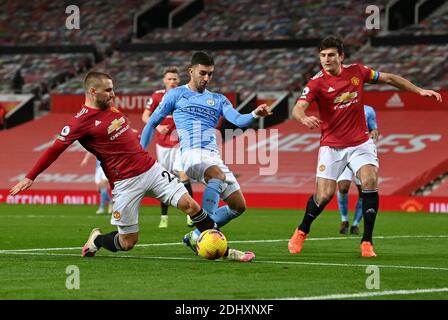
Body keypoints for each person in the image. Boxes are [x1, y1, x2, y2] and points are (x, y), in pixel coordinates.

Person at [9, 71, 218, 258]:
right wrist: (31, 176)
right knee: (128, 242)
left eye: (113, 89)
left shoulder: (111, 107)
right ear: (92, 91)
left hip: (151, 169)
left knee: (191, 205)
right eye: (108, 90)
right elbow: (54, 149)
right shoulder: (79, 122)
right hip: (125, 182)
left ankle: (222, 248)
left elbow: (119, 131)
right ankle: (98, 240)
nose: (112, 94)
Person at [288, 35, 442, 257]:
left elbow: (388, 78)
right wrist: (303, 118)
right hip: (332, 146)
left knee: (369, 180)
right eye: (322, 55)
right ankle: (302, 230)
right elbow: (298, 108)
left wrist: (418, 91)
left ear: (341, 56)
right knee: (324, 196)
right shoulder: (316, 83)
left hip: (360, 142)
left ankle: (367, 242)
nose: (326, 59)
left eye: (331, 55)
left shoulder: (358, 72)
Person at [140, 51, 272, 262]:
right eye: (203, 73)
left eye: (210, 74)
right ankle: (204, 233)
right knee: (216, 176)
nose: (207, 78)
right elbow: (152, 123)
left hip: (213, 156)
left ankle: (193, 236)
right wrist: (139, 152)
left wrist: (255, 114)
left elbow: (238, 119)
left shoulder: (218, 99)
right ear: (190, 71)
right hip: (191, 154)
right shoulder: (175, 95)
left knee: (239, 206)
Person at [142, 66, 195, 228]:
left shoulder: (185, 95)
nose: (172, 82)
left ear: (179, 80)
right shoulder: (157, 96)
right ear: (164, 80)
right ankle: (164, 217)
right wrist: (158, 128)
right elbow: (145, 116)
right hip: (162, 145)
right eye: (169, 79)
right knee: (164, 180)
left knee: (184, 176)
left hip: (180, 144)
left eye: (174, 79)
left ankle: (191, 215)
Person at [338, 104, 379, 235]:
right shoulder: (341, 105)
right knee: (343, 188)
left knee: (364, 191)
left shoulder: (368, 110)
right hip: (343, 150)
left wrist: (373, 133)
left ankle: (356, 224)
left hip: (360, 152)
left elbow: (374, 129)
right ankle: (344, 219)